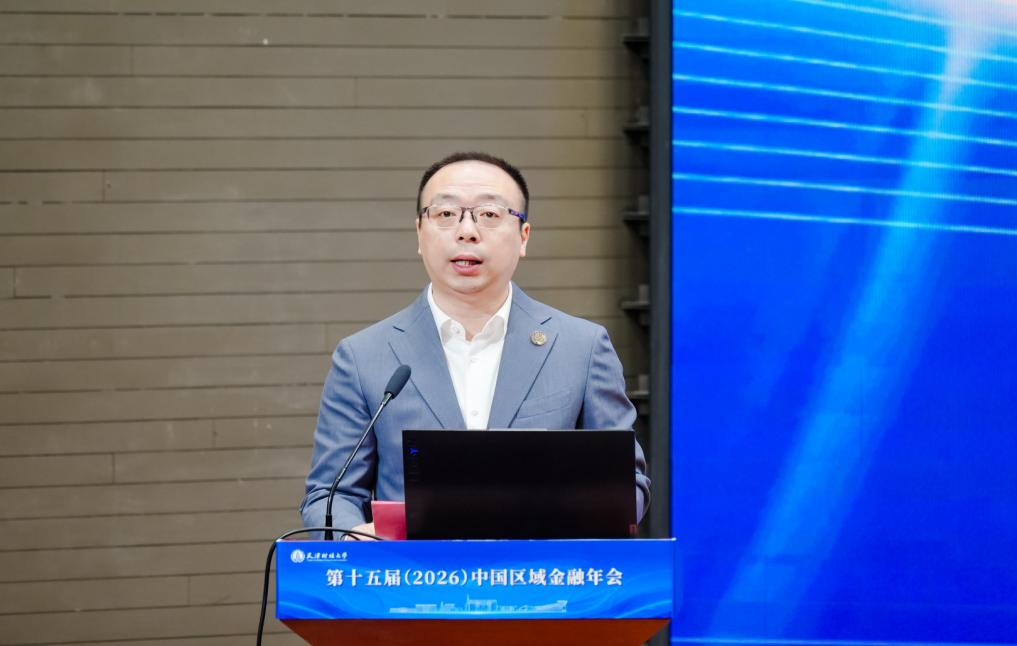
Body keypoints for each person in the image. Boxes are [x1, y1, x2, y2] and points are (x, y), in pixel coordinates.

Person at [300, 151, 650, 537]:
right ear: (419, 233)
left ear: (523, 236)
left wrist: (571, 521)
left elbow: (627, 483)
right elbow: (329, 496)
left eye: (489, 214)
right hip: (413, 573)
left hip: (541, 570)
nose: (467, 231)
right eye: (446, 214)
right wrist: (354, 537)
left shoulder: (581, 347)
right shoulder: (363, 356)